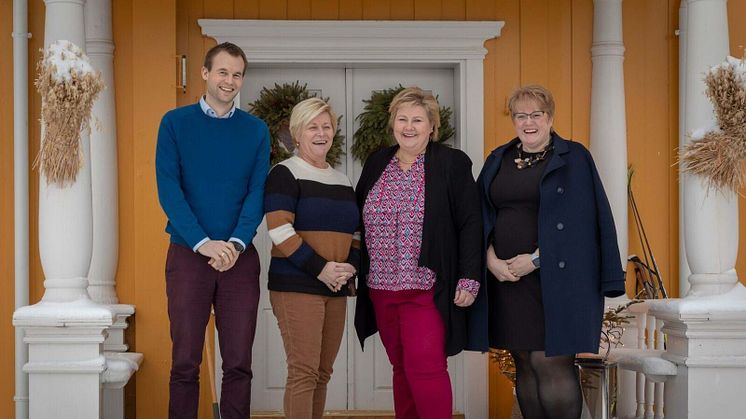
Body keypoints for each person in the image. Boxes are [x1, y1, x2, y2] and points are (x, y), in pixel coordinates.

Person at [477, 84, 626, 419]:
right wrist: (490, 261)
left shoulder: (574, 158)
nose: (528, 122)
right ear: (513, 120)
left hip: (558, 281)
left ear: (550, 117)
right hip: (507, 281)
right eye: (520, 115)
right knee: (525, 363)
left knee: (552, 362)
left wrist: (534, 260)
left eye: (536, 114)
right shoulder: (498, 158)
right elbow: (480, 215)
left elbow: (584, 222)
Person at [354, 87, 485, 419]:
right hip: (381, 287)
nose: (408, 127)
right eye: (402, 119)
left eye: (417, 120)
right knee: (400, 367)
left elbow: (471, 222)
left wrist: (469, 277)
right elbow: (357, 215)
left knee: (426, 367)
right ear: (393, 123)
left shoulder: (451, 163)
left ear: (432, 127)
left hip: (427, 285)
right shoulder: (377, 162)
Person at [155, 42, 270, 419]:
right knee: (185, 362)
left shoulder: (255, 131)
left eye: (237, 74)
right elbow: (169, 190)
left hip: (240, 260)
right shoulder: (175, 123)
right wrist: (204, 243)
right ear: (205, 73)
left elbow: (257, 192)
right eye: (223, 72)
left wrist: (235, 244)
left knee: (238, 362)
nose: (230, 81)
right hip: (189, 255)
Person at [263, 98, 359, 419]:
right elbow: (279, 231)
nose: (321, 133)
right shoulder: (284, 173)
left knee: (322, 372)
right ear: (297, 133)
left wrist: (351, 267)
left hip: (336, 286)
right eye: (312, 127)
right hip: (296, 286)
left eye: (326, 126)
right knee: (303, 371)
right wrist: (322, 269)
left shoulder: (342, 180)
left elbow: (357, 233)